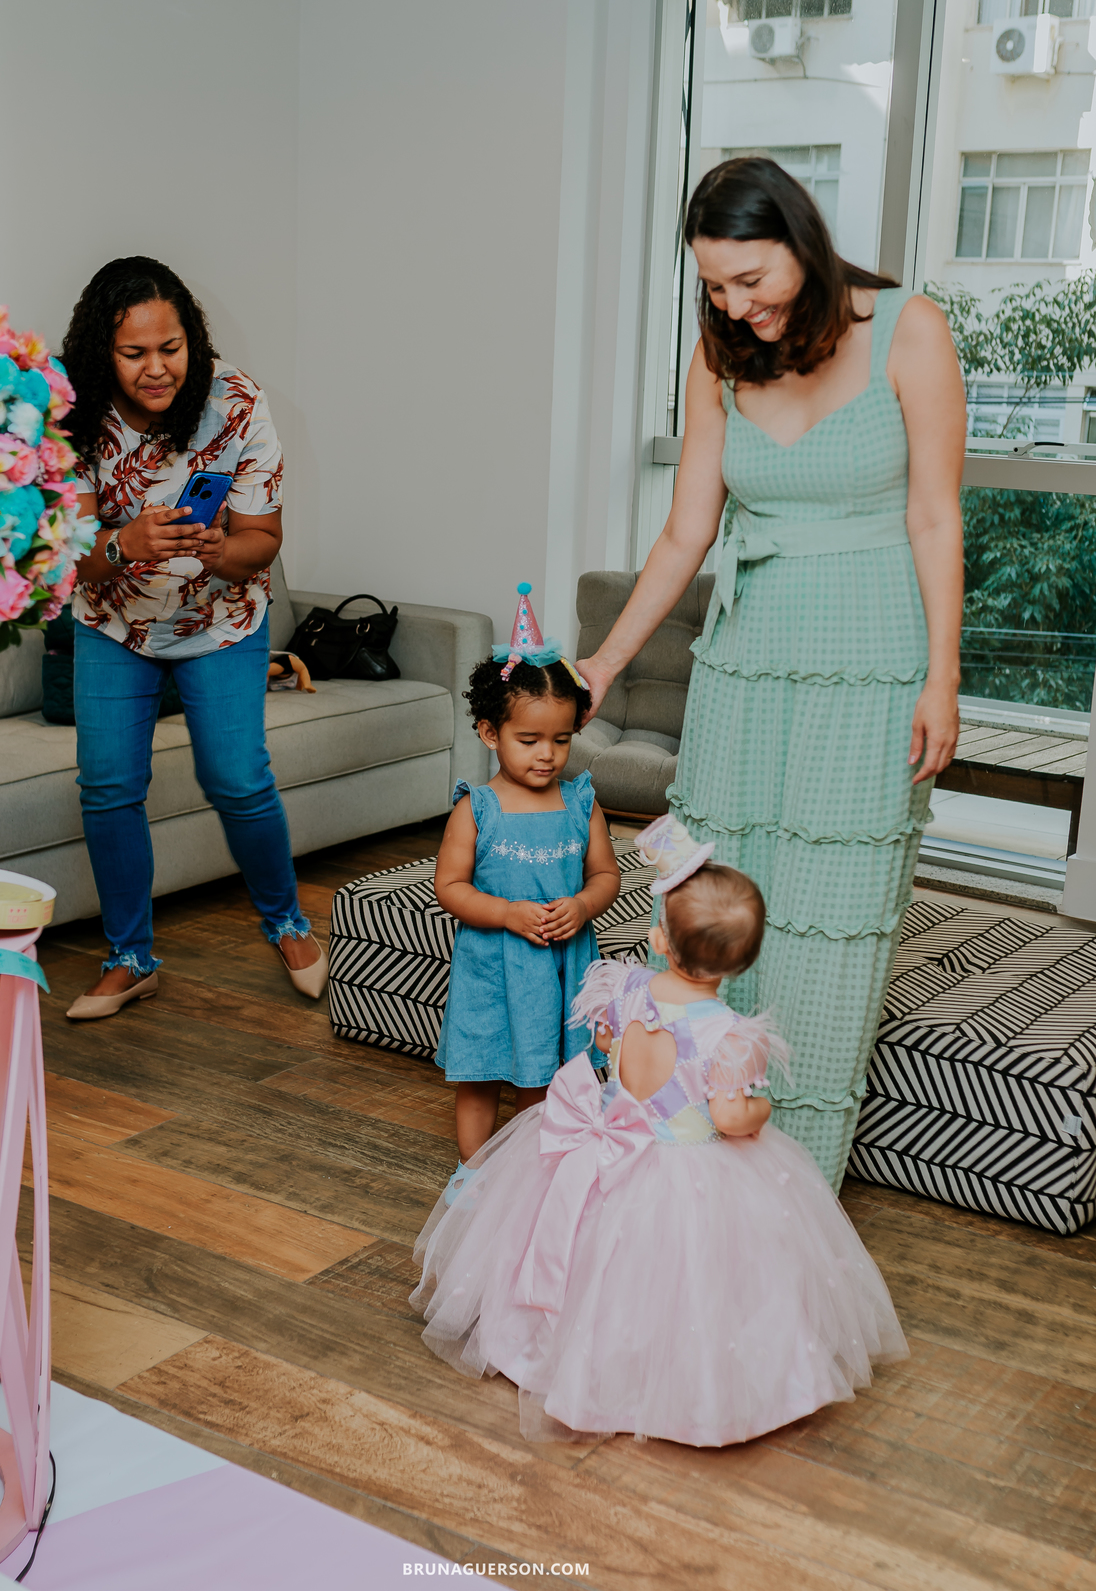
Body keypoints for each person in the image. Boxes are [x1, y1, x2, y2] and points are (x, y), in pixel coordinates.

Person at [575, 157, 965, 1190]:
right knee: (710, 903)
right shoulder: (721, 356)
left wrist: (943, 679)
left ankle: (794, 1198)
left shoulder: (909, 330)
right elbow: (684, 533)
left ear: (804, 241)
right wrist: (605, 662)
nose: (735, 306)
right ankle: (685, 1180)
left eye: (752, 279)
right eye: (713, 285)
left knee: (830, 928)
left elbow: (935, 516)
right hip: (747, 664)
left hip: (871, 659)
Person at [411, 818, 908, 1448]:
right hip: (681, 1164)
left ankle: (551, 1353)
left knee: (591, 1263)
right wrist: (759, 1113)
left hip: (606, 1154)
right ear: (741, 963)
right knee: (687, 1282)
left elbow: (603, 1046)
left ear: (657, 940)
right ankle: (670, 1386)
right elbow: (729, 1118)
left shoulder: (619, 990)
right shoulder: (728, 1038)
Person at [59, 256, 326, 1020]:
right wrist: (124, 544)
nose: (156, 369)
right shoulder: (69, 412)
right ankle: (130, 957)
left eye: (169, 348)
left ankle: (289, 925)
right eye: (133, 353)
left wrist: (219, 551)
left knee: (238, 778)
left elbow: (263, 538)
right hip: (114, 620)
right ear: (100, 354)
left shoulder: (235, 401)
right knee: (109, 787)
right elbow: (65, 552)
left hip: (221, 617)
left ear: (192, 340)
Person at [434, 585, 621, 1203]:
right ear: (490, 733)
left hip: (565, 964)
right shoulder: (477, 809)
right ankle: (472, 1172)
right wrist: (507, 913)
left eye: (561, 740)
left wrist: (583, 905)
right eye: (529, 740)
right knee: (482, 1071)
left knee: (551, 1076)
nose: (548, 755)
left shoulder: (581, 802)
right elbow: (450, 888)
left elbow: (606, 878)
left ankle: (541, 1171)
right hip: (496, 966)